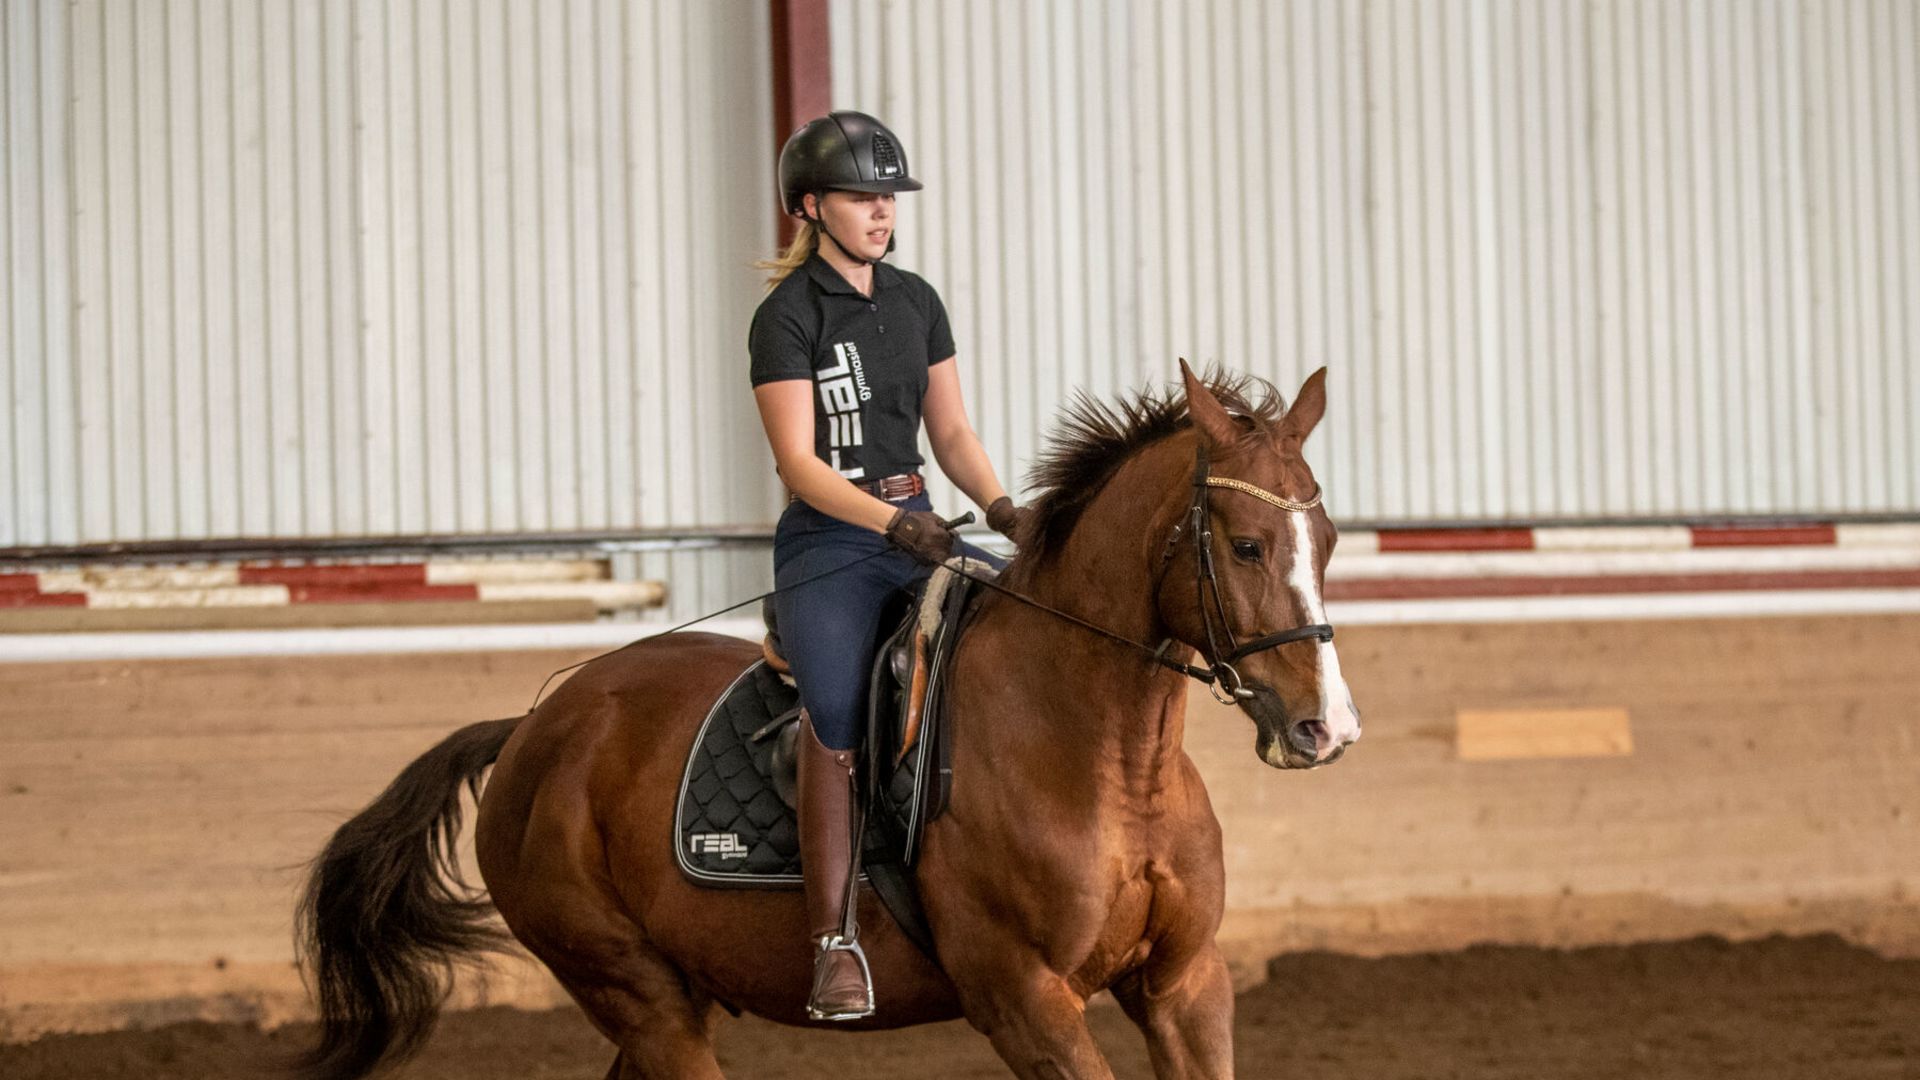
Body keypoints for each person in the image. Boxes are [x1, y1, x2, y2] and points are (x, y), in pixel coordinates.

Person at [748, 110, 1026, 1021]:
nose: (881, 213)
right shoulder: (787, 317)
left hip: (924, 523)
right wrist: (890, 526)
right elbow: (799, 465)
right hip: (833, 542)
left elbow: (950, 431)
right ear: (811, 206)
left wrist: (1001, 509)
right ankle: (834, 939)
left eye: (888, 198)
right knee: (835, 714)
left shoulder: (916, 300)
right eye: (863, 197)